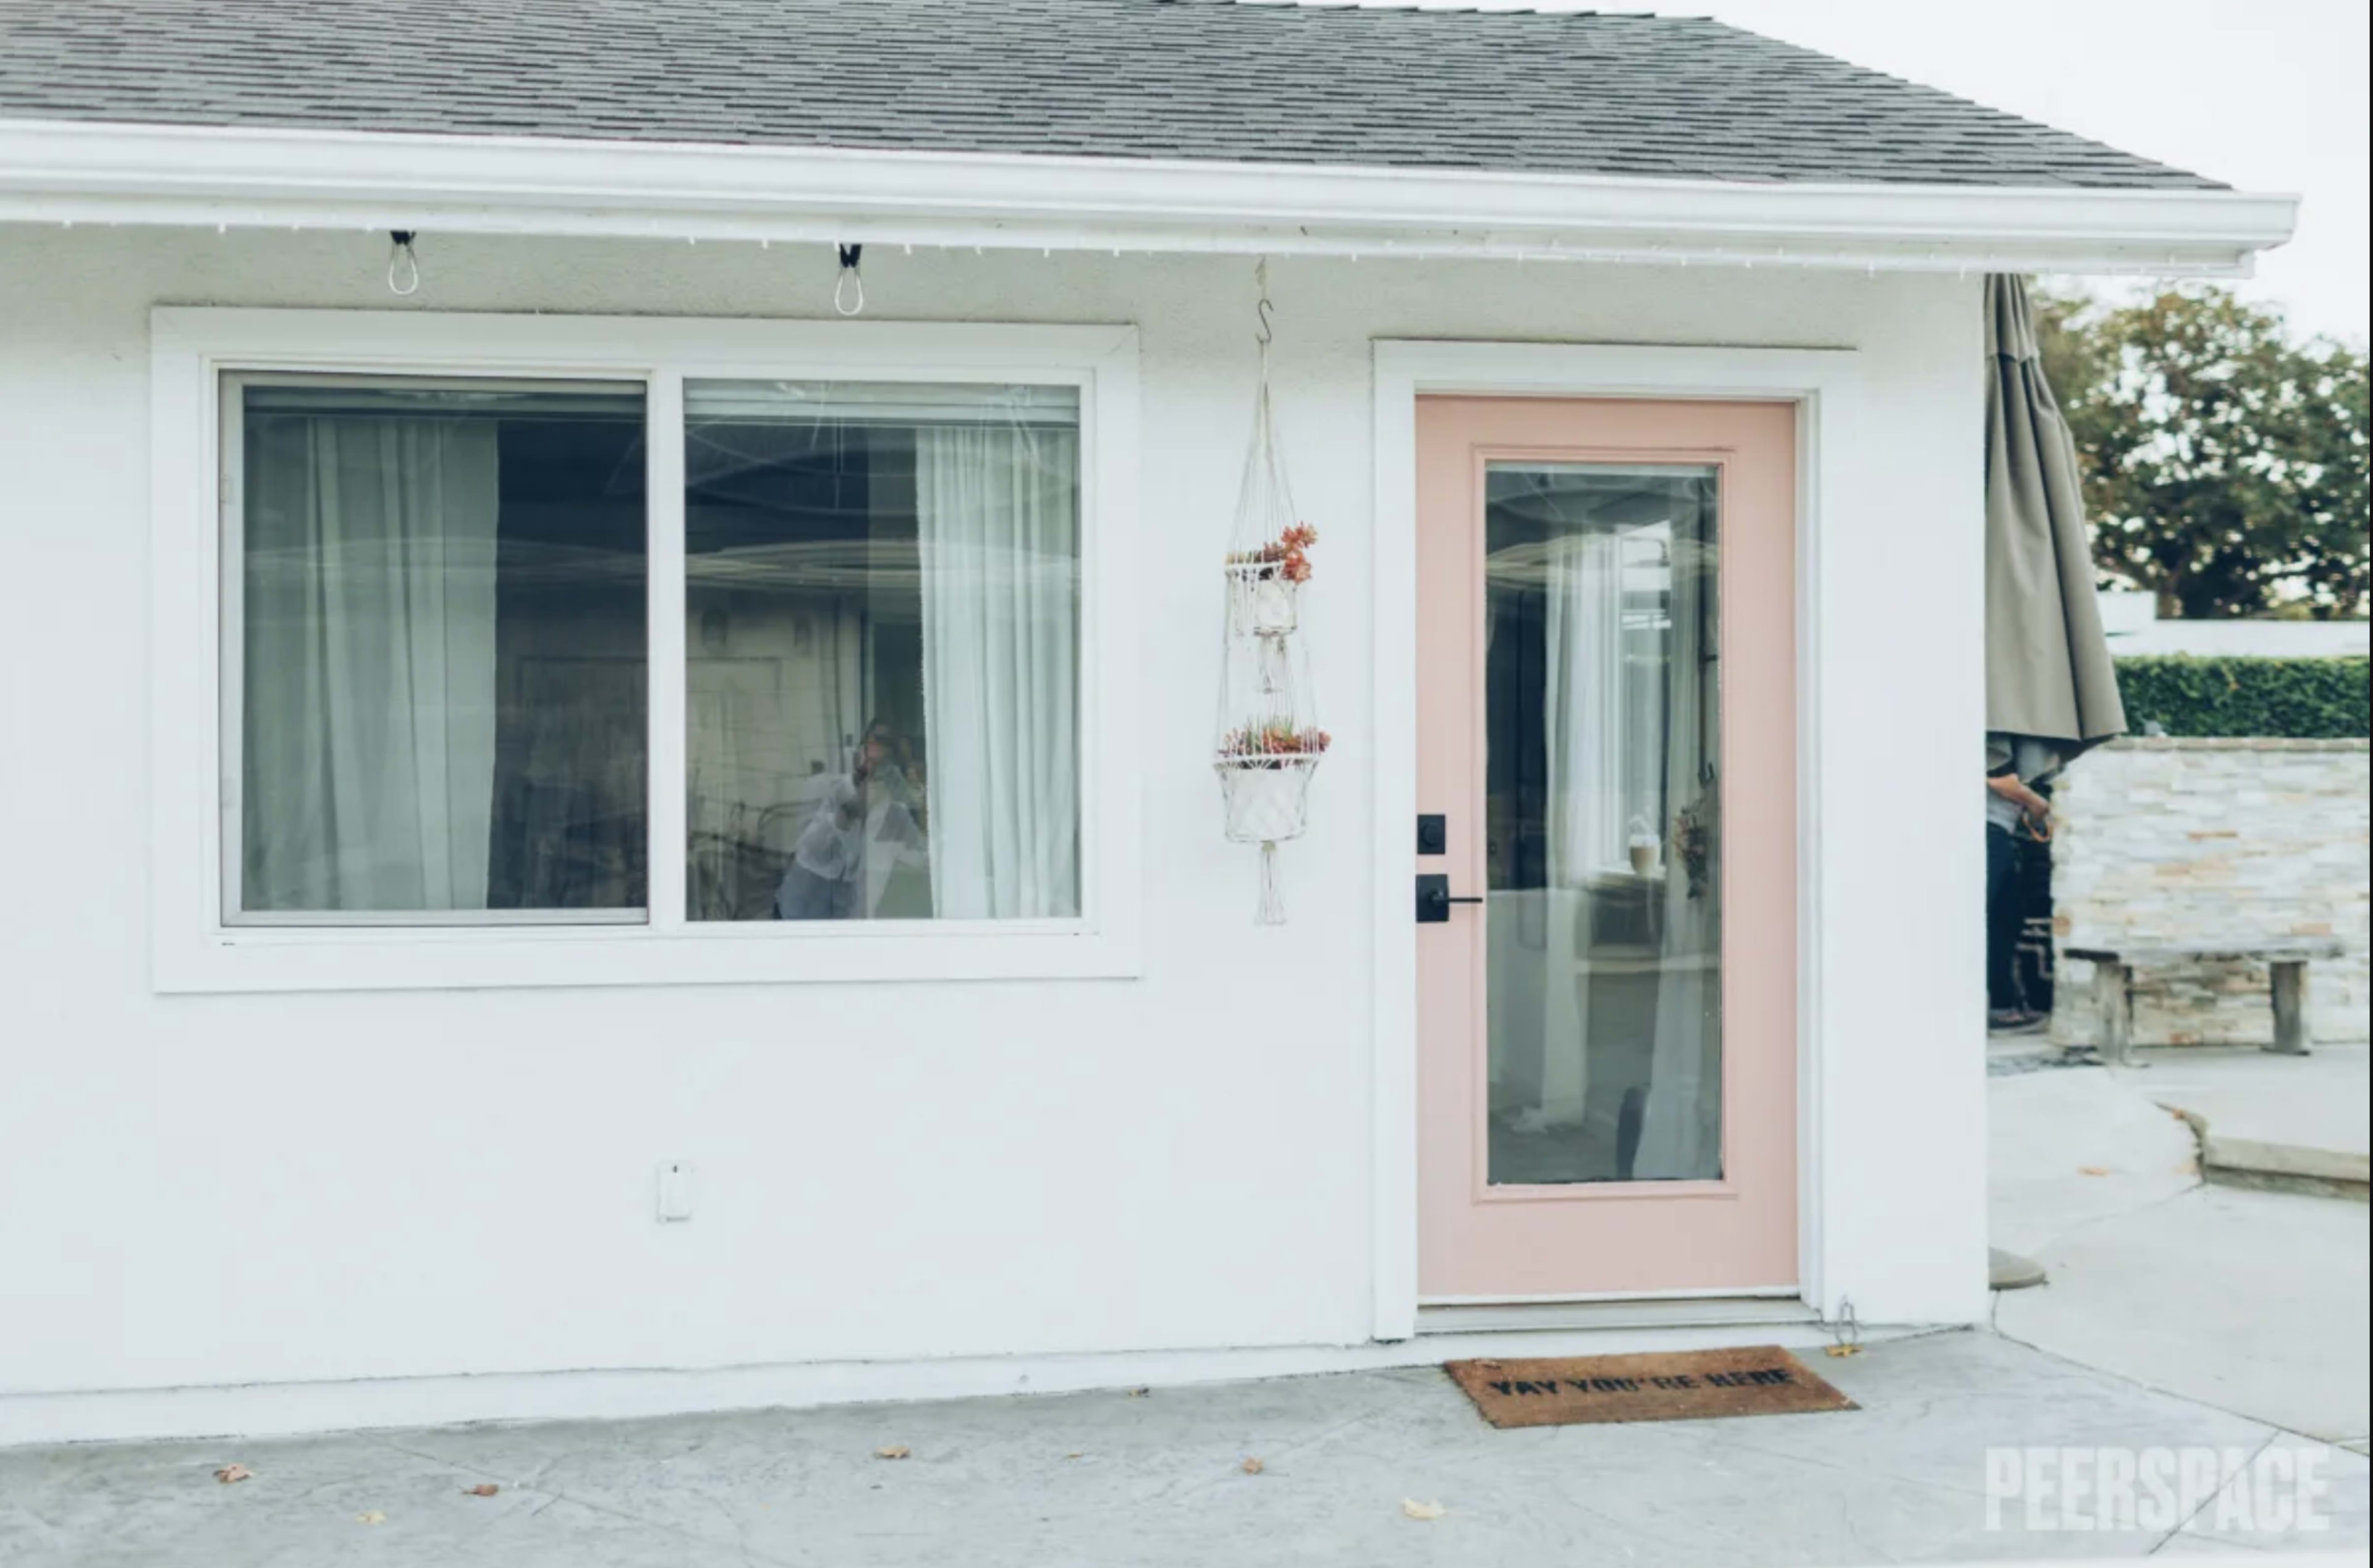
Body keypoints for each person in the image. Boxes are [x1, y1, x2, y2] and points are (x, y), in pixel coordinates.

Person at [775, 720, 926, 921]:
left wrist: (920, 798)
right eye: (873, 748)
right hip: (796, 919)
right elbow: (808, 853)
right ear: (861, 753)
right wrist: (850, 811)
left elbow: (925, 860)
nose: (877, 763)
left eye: (890, 759)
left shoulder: (896, 817)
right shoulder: (824, 788)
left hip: (853, 926)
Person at [1985, 735, 2060, 1032]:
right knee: (1986, 919)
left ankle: (2001, 1007)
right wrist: (2037, 804)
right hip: (1983, 830)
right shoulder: (1997, 726)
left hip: (1998, 831)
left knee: (2006, 919)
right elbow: (1999, 781)